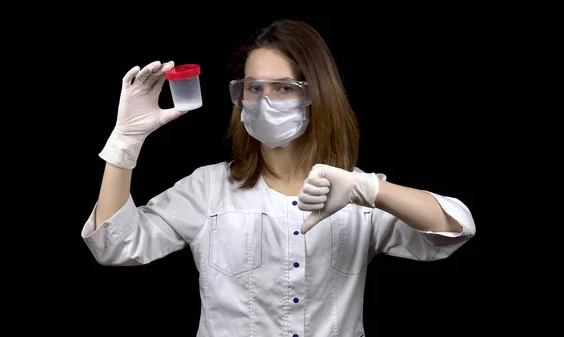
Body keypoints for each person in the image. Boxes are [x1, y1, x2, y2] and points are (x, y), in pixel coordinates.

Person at [81, 19, 476, 337]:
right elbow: (116, 246)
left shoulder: (352, 192)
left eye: (284, 87)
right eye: (253, 87)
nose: (264, 100)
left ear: (315, 95)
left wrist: (369, 189)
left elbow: (453, 229)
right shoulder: (208, 189)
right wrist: (125, 143)